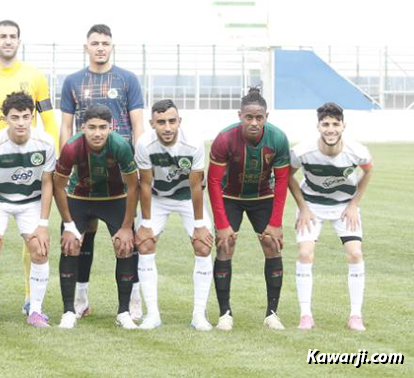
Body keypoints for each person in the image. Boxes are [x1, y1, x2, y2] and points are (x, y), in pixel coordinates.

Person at [0, 19, 60, 320]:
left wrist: (54, 150)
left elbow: (48, 117)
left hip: (29, 165)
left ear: (19, 41)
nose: (8, 40)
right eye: (3, 36)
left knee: (33, 241)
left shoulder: (35, 76)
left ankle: (32, 300)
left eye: (13, 36)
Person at [59, 23, 145, 320]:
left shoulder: (127, 79)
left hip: (118, 171)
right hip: (83, 171)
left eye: (105, 43)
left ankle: (133, 299)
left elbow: (137, 123)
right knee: (84, 235)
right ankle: (80, 297)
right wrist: (67, 159)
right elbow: (66, 126)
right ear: (86, 47)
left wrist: (138, 161)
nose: (100, 48)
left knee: (127, 237)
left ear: (112, 46)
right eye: (95, 43)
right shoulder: (72, 81)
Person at [207, 87, 291, 331]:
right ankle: (225, 314)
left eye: (259, 117)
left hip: (263, 196)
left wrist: (276, 223)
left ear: (266, 117)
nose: (254, 122)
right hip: (230, 196)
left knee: (272, 244)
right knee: (225, 245)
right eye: (249, 117)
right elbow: (213, 182)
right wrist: (222, 224)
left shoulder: (278, 139)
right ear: (240, 116)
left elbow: (282, 181)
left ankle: (272, 314)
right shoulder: (225, 139)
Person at [53, 104, 141, 329]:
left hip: (114, 198)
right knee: (70, 245)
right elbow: (58, 186)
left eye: (103, 127)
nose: (97, 133)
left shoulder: (121, 146)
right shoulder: (71, 147)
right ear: (82, 127)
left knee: (125, 246)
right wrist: (69, 225)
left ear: (111, 127)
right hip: (80, 197)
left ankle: (124, 312)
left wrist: (127, 227)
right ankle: (69, 310)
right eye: (92, 127)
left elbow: (133, 186)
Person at [0, 91, 56, 329]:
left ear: (32, 117)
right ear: (5, 118)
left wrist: (43, 224)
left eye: (25, 116)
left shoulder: (46, 143)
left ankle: (36, 311)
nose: (21, 122)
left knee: (40, 249)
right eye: (15, 117)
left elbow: (47, 182)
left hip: (30, 201)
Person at [288, 102, 372, 331]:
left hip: (344, 206)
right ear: (318, 126)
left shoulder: (357, 151)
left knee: (355, 254)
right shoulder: (302, 151)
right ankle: (306, 316)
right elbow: (288, 175)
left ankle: (355, 316)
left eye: (335, 124)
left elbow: (369, 169)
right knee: (305, 254)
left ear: (343, 126)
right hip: (312, 206)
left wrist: (354, 204)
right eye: (326, 124)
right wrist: (303, 207)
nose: (331, 129)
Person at [133, 100, 214, 331]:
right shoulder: (144, 144)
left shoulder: (193, 143)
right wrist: (145, 223)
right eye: (161, 122)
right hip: (158, 197)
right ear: (152, 124)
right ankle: (152, 315)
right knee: (145, 244)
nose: (167, 127)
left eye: (172, 121)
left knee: (203, 246)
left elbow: (196, 186)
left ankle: (199, 315)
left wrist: (200, 224)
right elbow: (145, 184)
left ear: (179, 121)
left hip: (187, 197)